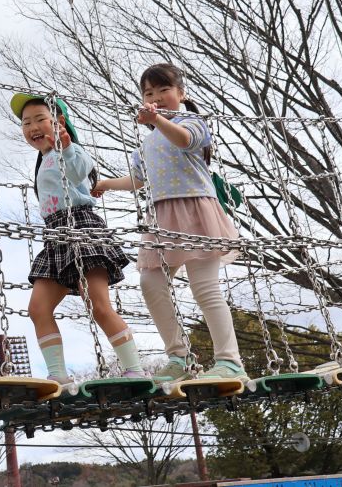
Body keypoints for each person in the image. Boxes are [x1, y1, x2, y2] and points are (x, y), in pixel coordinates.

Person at [93, 63, 247, 384]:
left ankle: (230, 361)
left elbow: (185, 140)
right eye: (149, 93)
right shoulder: (146, 144)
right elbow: (138, 179)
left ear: (181, 94)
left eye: (164, 90)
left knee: (204, 287)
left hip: (195, 211)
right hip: (161, 218)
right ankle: (179, 357)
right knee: (151, 284)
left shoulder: (192, 122)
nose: (156, 97)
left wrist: (157, 120)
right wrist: (106, 184)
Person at [12, 92, 145, 383]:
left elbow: (77, 172)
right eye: (26, 123)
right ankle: (58, 375)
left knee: (97, 304)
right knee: (38, 308)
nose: (32, 127)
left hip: (80, 226)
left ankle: (135, 369)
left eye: (39, 119)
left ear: (59, 122)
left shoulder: (72, 150)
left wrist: (67, 147)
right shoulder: (44, 159)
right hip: (55, 235)